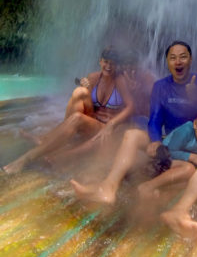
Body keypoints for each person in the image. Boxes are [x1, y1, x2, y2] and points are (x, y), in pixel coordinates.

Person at [70, 41, 197, 207]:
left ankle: (156, 190)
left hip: (191, 144)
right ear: (167, 61)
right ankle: (108, 189)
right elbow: (155, 119)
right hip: (167, 141)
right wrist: (156, 140)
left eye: (183, 57)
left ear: (190, 59)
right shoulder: (161, 86)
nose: (178, 62)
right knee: (132, 135)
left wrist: (196, 99)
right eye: (173, 58)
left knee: (186, 169)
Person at [4, 47, 134, 174]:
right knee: (79, 92)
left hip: (105, 128)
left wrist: (112, 124)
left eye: (112, 63)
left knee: (77, 118)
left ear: (116, 65)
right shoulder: (94, 77)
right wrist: (84, 86)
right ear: (100, 61)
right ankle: (51, 139)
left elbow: (131, 106)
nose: (108, 66)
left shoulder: (120, 80)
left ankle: (27, 158)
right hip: (93, 120)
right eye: (106, 62)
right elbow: (89, 101)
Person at [137, 107, 197, 201]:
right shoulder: (186, 130)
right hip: (162, 159)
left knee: (192, 180)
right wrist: (192, 157)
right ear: (196, 124)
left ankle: (159, 190)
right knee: (189, 169)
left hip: (176, 164)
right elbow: (170, 151)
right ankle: (148, 186)